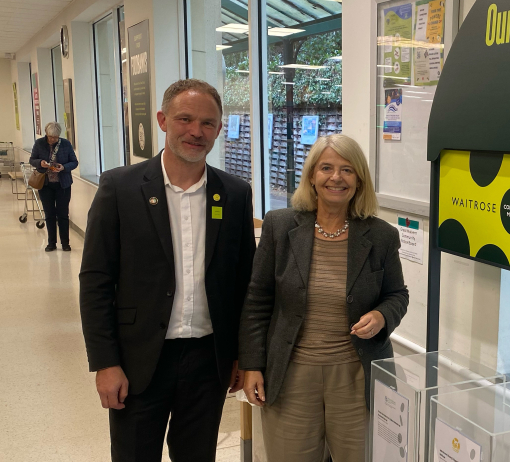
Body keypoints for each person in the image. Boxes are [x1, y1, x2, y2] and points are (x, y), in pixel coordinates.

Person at [79, 79, 256, 462]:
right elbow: (95, 281)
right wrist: (105, 362)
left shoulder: (236, 193)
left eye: (208, 123)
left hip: (208, 361)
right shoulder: (119, 188)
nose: (196, 131)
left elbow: (245, 282)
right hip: (138, 359)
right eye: (185, 119)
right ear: (162, 120)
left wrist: (241, 355)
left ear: (219, 129)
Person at [239, 134, 409, 462]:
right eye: (326, 168)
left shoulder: (381, 235)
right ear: (311, 177)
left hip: (356, 375)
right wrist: (251, 365)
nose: (336, 177)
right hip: (291, 374)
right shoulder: (280, 225)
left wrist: (382, 316)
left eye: (347, 169)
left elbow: (396, 294)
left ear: (359, 180)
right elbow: (257, 299)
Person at [30, 122, 78, 251]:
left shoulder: (66, 144)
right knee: (49, 214)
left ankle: (65, 243)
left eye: (55, 137)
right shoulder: (39, 143)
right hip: (45, 184)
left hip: (63, 184)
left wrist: (63, 167)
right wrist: (40, 163)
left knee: (63, 214)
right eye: (51, 137)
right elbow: (32, 159)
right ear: (46, 134)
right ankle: (51, 243)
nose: (53, 139)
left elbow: (74, 162)